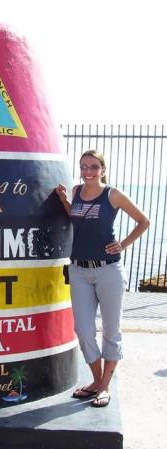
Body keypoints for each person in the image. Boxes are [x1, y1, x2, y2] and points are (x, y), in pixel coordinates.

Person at [55, 149, 149, 407]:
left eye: (93, 167)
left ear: (103, 170)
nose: (88, 171)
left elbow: (143, 221)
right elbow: (75, 219)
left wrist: (123, 244)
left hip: (108, 271)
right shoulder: (75, 192)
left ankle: (104, 386)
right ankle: (97, 381)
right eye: (84, 166)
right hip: (79, 271)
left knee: (111, 331)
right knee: (84, 330)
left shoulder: (113, 194)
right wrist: (64, 201)